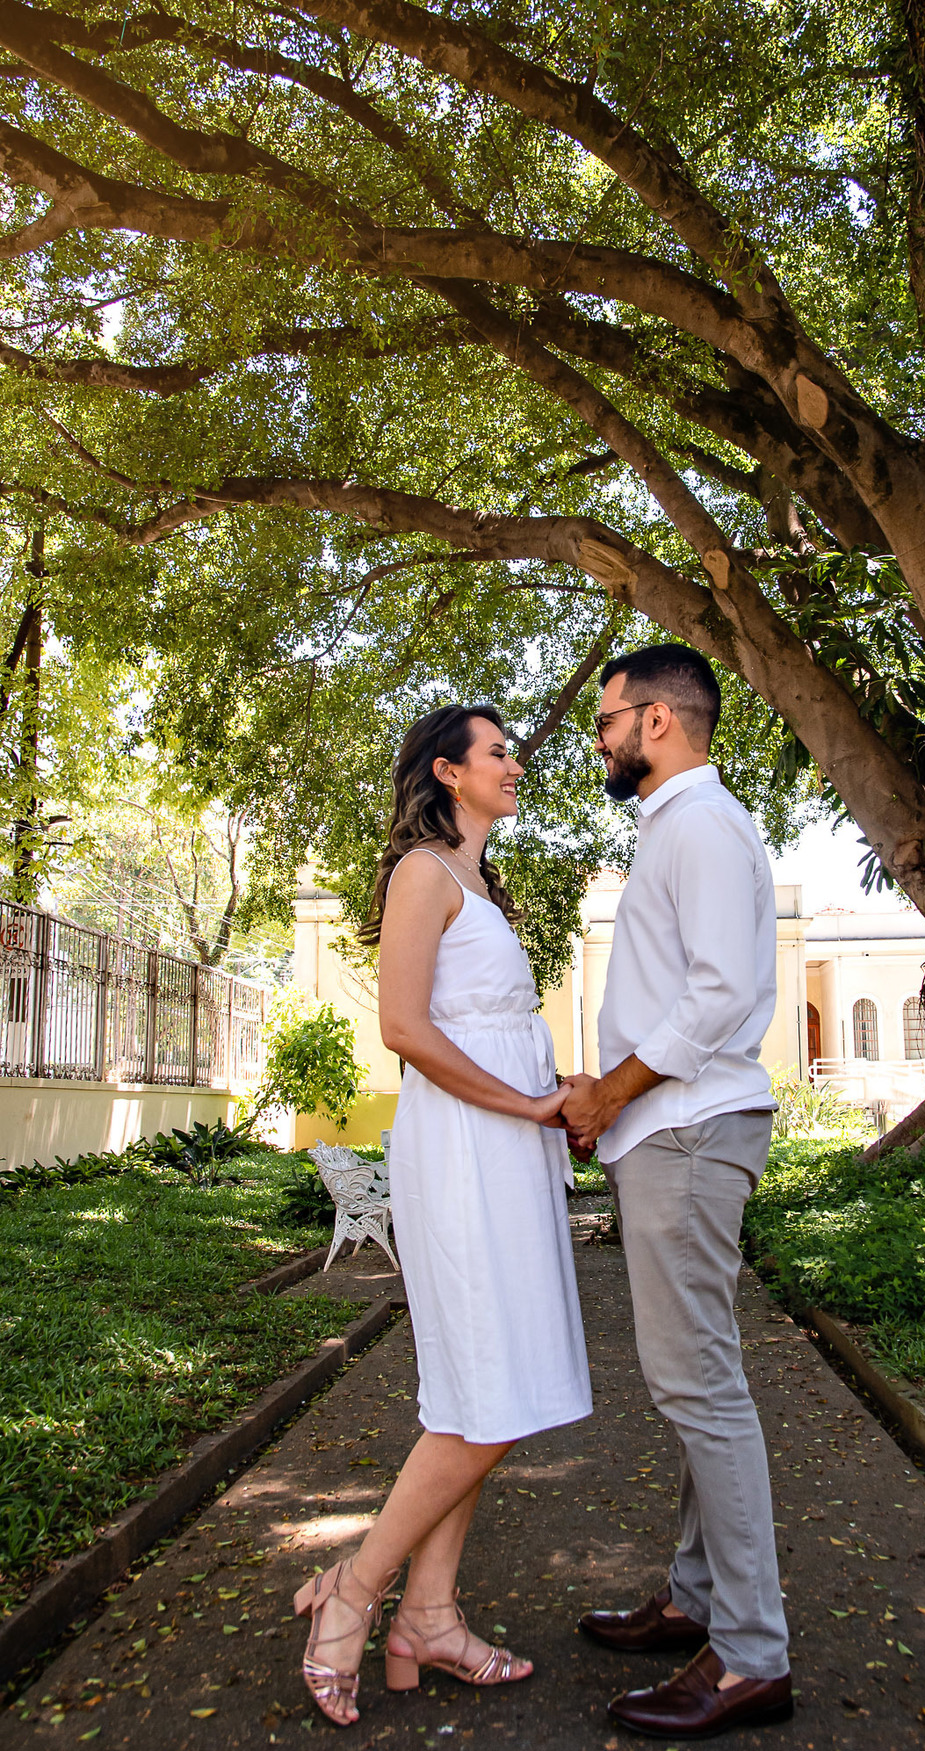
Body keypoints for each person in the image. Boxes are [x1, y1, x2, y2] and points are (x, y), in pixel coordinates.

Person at [294, 704, 591, 1727]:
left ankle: (430, 1614)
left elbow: (497, 1029)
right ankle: (357, 1591)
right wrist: (525, 1104)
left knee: (481, 1391)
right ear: (447, 771)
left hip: (510, 1145)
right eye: (498, 751)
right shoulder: (422, 870)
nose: (516, 763)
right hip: (464, 1152)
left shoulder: (479, 883)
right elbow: (404, 1027)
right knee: (483, 1395)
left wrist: (562, 1097)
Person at [560, 644, 792, 1740]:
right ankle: (696, 1601)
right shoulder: (682, 826)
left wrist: (607, 1091)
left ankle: (749, 1655)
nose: (597, 738)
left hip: (686, 1131)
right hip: (681, 1131)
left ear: (656, 720)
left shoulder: (698, 823)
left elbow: (718, 994)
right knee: (703, 1379)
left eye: (606, 719)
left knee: (700, 1388)